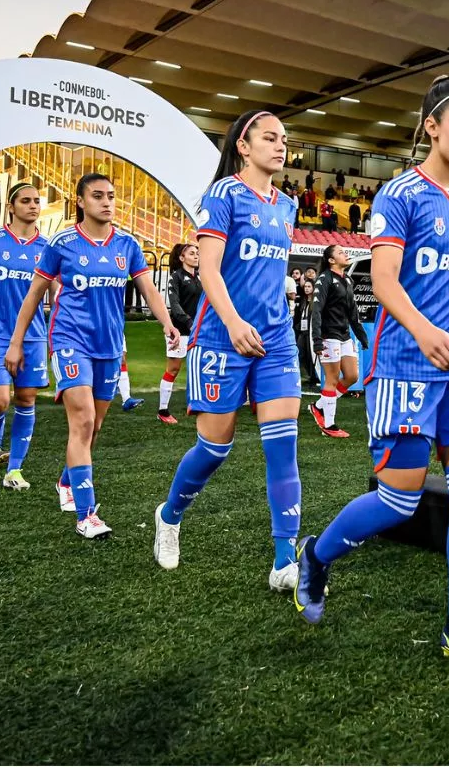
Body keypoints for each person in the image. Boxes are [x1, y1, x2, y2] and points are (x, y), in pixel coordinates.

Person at [293, 75, 449, 673]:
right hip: (405, 365)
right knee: (399, 501)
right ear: (432, 127)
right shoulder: (399, 195)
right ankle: (315, 556)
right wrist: (424, 333)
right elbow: (385, 282)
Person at [154, 109, 304, 591]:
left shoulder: (287, 205)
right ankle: (170, 515)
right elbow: (210, 271)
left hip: (276, 339)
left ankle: (285, 560)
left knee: (283, 449)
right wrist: (236, 322)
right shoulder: (222, 195)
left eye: (284, 139)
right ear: (243, 145)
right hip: (222, 337)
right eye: (269, 138)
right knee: (215, 447)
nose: (280, 146)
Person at [8, 173, 179, 538]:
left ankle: (66, 481)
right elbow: (35, 294)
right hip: (70, 339)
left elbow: (148, 290)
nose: (107, 202)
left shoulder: (128, 245)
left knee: (95, 426)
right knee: (83, 421)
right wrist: (16, 342)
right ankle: (86, 516)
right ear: (80, 202)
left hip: (109, 346)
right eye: (98, 195)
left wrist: (167, 323)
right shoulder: (63, 243)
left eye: (112, 196)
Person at [0, 182, 49, 489]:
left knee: (26, 399)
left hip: (33, 335)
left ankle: (14, 470)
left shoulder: (47, 247)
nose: (33, 205)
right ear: (11, 207)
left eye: (37, 201)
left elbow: (58, 291)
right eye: (25, 200)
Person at [308, 244, 368, 438]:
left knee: (352, 376)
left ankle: (318, 406)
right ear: (331, 260)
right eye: (341, 252)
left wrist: (361, 336)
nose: (346, 253)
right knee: (331, 380)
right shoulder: (324, 279)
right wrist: (317, 340)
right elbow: (316, 311)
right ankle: (329, 425)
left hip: (345, 336)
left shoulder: (347, 279)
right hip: (328, 336)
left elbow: (353, 313)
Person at [159, 242, 202, 425]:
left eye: (197, 253)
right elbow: (174, 305)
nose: (196, 255)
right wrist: (189, 322)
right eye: (191, 253)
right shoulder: (175, 277)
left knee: (199, 367)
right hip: (179, 330)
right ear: (182, 258)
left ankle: (196, 404)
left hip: (198, 330)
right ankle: (162, 410)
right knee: (174, 368)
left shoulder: (201, 278)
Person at [293, 279, 321, 386]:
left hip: (311, 332)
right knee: (300, 353)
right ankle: (307, 375)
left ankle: (314, 377)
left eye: (309, 286)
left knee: (311, 355)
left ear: (313, 288)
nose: (307, 288)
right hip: (302, 331)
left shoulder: (316, 302)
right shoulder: (303, 301)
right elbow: (298, 316)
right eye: (305, 287)